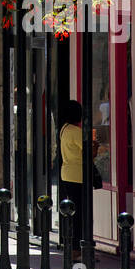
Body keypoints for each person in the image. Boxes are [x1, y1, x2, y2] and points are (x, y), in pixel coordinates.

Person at [59, 99, 85, 259]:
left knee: (72, 213)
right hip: (78, 175)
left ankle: (73, 246)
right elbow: (89, 148)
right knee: (79, 214)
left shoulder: (64, 129)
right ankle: (77, 248)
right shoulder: (75, 131)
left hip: (67, 173)